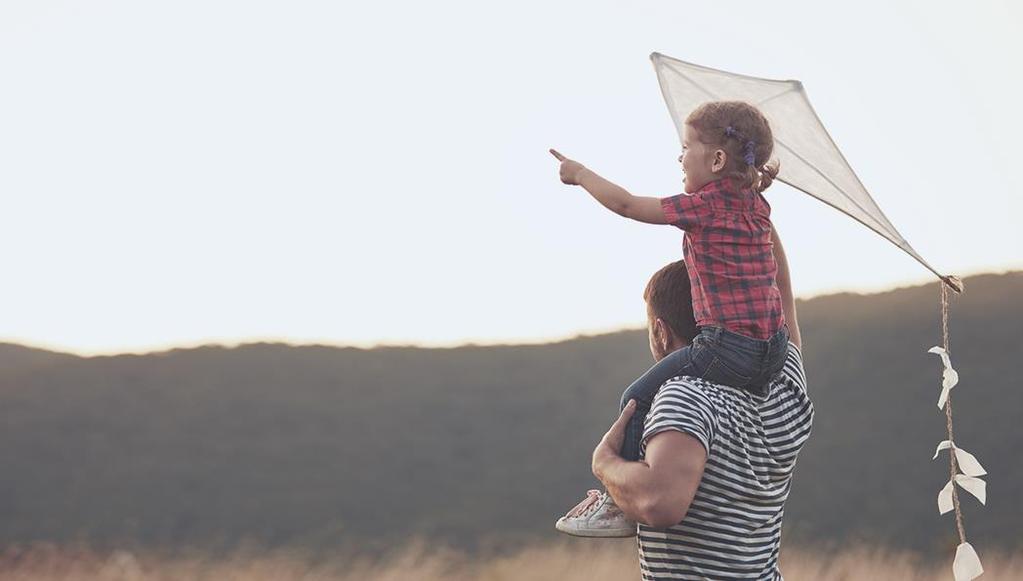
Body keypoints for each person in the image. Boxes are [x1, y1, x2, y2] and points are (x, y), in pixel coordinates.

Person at [551, 101, 790, 533]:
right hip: (773, 351)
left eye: (685, 147)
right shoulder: (756, 207)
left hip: (725, 348)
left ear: (717, 160)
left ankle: (617, 502)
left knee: (635, 398)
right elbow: (775, 271)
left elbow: (626, 205)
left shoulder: (705, 206)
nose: (679, 158)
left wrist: (581, 174)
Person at [574, 251, 812, 579]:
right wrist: (751, 207)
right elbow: (781, 288)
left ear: (661, 332)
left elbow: (661, 502)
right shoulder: (783, 386)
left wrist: (605, 464)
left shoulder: (685, 394)